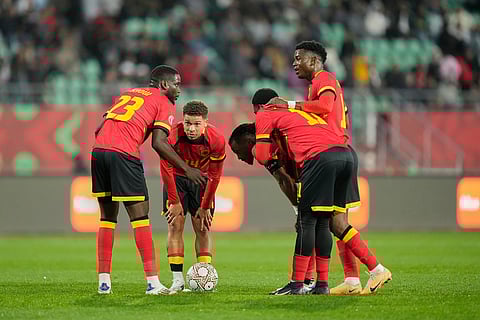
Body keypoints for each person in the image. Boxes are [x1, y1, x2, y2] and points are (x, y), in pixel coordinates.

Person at [267, 40, 392, 295]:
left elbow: (324, 108)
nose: (294, 63)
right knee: (338, 221)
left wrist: (289, 106)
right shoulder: (318, 85)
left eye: (298, 58)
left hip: (328, 155)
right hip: (341, 152)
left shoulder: (324, 79)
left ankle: (376, 269)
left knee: (323, 221)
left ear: (313, 61)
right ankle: (352, 280)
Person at [91, 65, 207, 295]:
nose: (179, 90)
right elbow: (159, 142)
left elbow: (99, 128)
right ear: (164, 85)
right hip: (123, 154)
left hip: (98, 151)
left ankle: (104, 283)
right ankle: (153, 283)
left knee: (107, 218)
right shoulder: (165, 102)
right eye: (177, 84)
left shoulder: (129, 93)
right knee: (140, 215)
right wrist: (187, 169)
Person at [160, 100, 226, 293]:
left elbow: (215, 175)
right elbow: (165, 167)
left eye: (197, 124)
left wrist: (205, 206)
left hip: (202, 182)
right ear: (183, 120)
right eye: (188, 123)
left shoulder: (216, 140)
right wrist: (173, 201)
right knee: (175, 226)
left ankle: (205, 273)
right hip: (176, 179)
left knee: (203, 228)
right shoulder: (172, 135)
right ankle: (177, 281)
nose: (191, 128)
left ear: (205, 122)